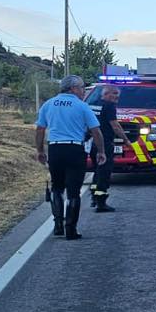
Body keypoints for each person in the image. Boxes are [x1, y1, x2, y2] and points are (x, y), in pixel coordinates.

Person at [34, 75, 106, 240]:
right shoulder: (82, 106)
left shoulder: (49, 104)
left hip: (55, 149)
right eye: (81, 87)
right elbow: (95, 131)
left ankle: (58, 224)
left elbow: (40, 129)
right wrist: (101, 151)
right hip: (75, 149)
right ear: (73, 89)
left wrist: (40, 150)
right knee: (73, 191)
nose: (83, 91)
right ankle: (71, 229)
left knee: (57, 187)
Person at [89, 84, 128, 212]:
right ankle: (101, 202)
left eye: (118, 95)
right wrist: (126, 140)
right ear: (105, 94)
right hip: (105, 143)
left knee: (97, 170)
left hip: (93, 143)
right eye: (114, 94)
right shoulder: (109, 106)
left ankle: (94, 196)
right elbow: (115, 126)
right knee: (104, 172)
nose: (117, 97)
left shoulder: (94, 104)